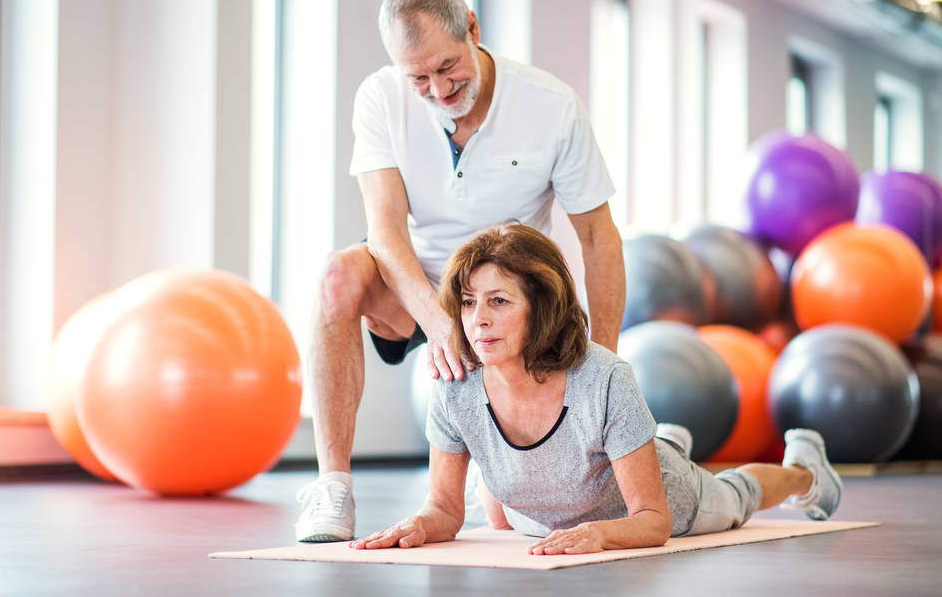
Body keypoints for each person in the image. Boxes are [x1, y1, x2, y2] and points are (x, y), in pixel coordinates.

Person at [294, 0, 625, 543]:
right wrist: (441, 322)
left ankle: (496, 472)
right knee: (337, 274)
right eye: (418, 77)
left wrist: (605, 367)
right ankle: (333, 487)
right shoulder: (380, 97)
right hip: (414, 285)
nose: (438, 89)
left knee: (502, 513)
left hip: (507, 293)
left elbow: (599, 239)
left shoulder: (551, 105)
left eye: (448, 68)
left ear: (473, 29)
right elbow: (385, 232)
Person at [350, 224, 843, 553]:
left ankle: (804, 469)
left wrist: (598, 535)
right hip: (553, 515)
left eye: (499, 301)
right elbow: (444, 509)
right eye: (467, 302)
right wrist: (419, 524)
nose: (478, 320)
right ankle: (659, 439)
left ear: (541, 306)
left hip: (665, 503)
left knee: (737, 494)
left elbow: (653, 521)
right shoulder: (455, 384)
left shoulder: (602, 377)